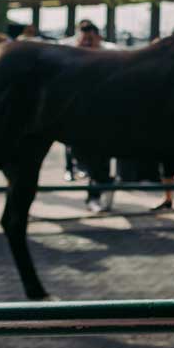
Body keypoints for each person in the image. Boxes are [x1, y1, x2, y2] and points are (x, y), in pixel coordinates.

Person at [72, 20, 115, 213]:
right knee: (85, 156)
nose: (87, 41)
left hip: (102, 114)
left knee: (100, 158)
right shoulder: (71, 53)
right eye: (84, 37)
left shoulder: (109, 53)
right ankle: (102, 186)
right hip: (79, 115)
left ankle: (96, 193)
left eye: (91, 37)